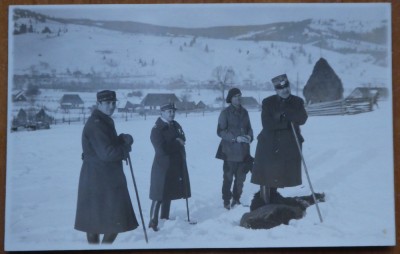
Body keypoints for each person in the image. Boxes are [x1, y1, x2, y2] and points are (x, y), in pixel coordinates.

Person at [75, 90, 138, 244]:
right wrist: (125, 147)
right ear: (99, 104)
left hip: (99, 177)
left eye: (114, 103)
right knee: (113, 220)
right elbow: (107, 153)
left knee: (96, 220)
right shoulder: (97, 124)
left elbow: (104, 145)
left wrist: (121, 138)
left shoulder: (102, 120)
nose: (112, 106)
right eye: (108, 103)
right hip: (100, 178)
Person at [251, 74, 308, 204]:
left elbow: (302, 119)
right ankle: (264, 202)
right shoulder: (268, 102)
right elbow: (267, 124)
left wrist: (287, 114)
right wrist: (286, 123)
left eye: (286, 86)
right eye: (280, 88)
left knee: (281, 175)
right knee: (266, 176)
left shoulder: (297, 102)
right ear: (276, 90)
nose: (284, 90)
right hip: (269, 144)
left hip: (288, 145)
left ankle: (275, 199)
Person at [148, 102, 191, 231]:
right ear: (161, 112)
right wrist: (177, 143)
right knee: (159, 194)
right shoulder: (157, 129)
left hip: (175, 164)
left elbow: (183, 137)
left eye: (173, 111)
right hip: (162, 166)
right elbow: (161, 149)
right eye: (169, 111)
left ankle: (164, 217)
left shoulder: (175, 124)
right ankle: (153, 222)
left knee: (169, 192)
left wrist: (178, 141)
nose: (172, 114)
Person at [216, 88, 254, 210]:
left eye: (240, 96)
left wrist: (249, 136)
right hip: (229, 152)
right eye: (236, 96)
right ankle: (226, 200)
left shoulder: (245, 112)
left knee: (240, 179)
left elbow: (249, 128)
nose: (238, 98)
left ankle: (236, 200)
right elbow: (220, 131)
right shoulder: (225, 113)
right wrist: (235, 138)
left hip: (244, 152)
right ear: (230, 98)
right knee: (228, 178)